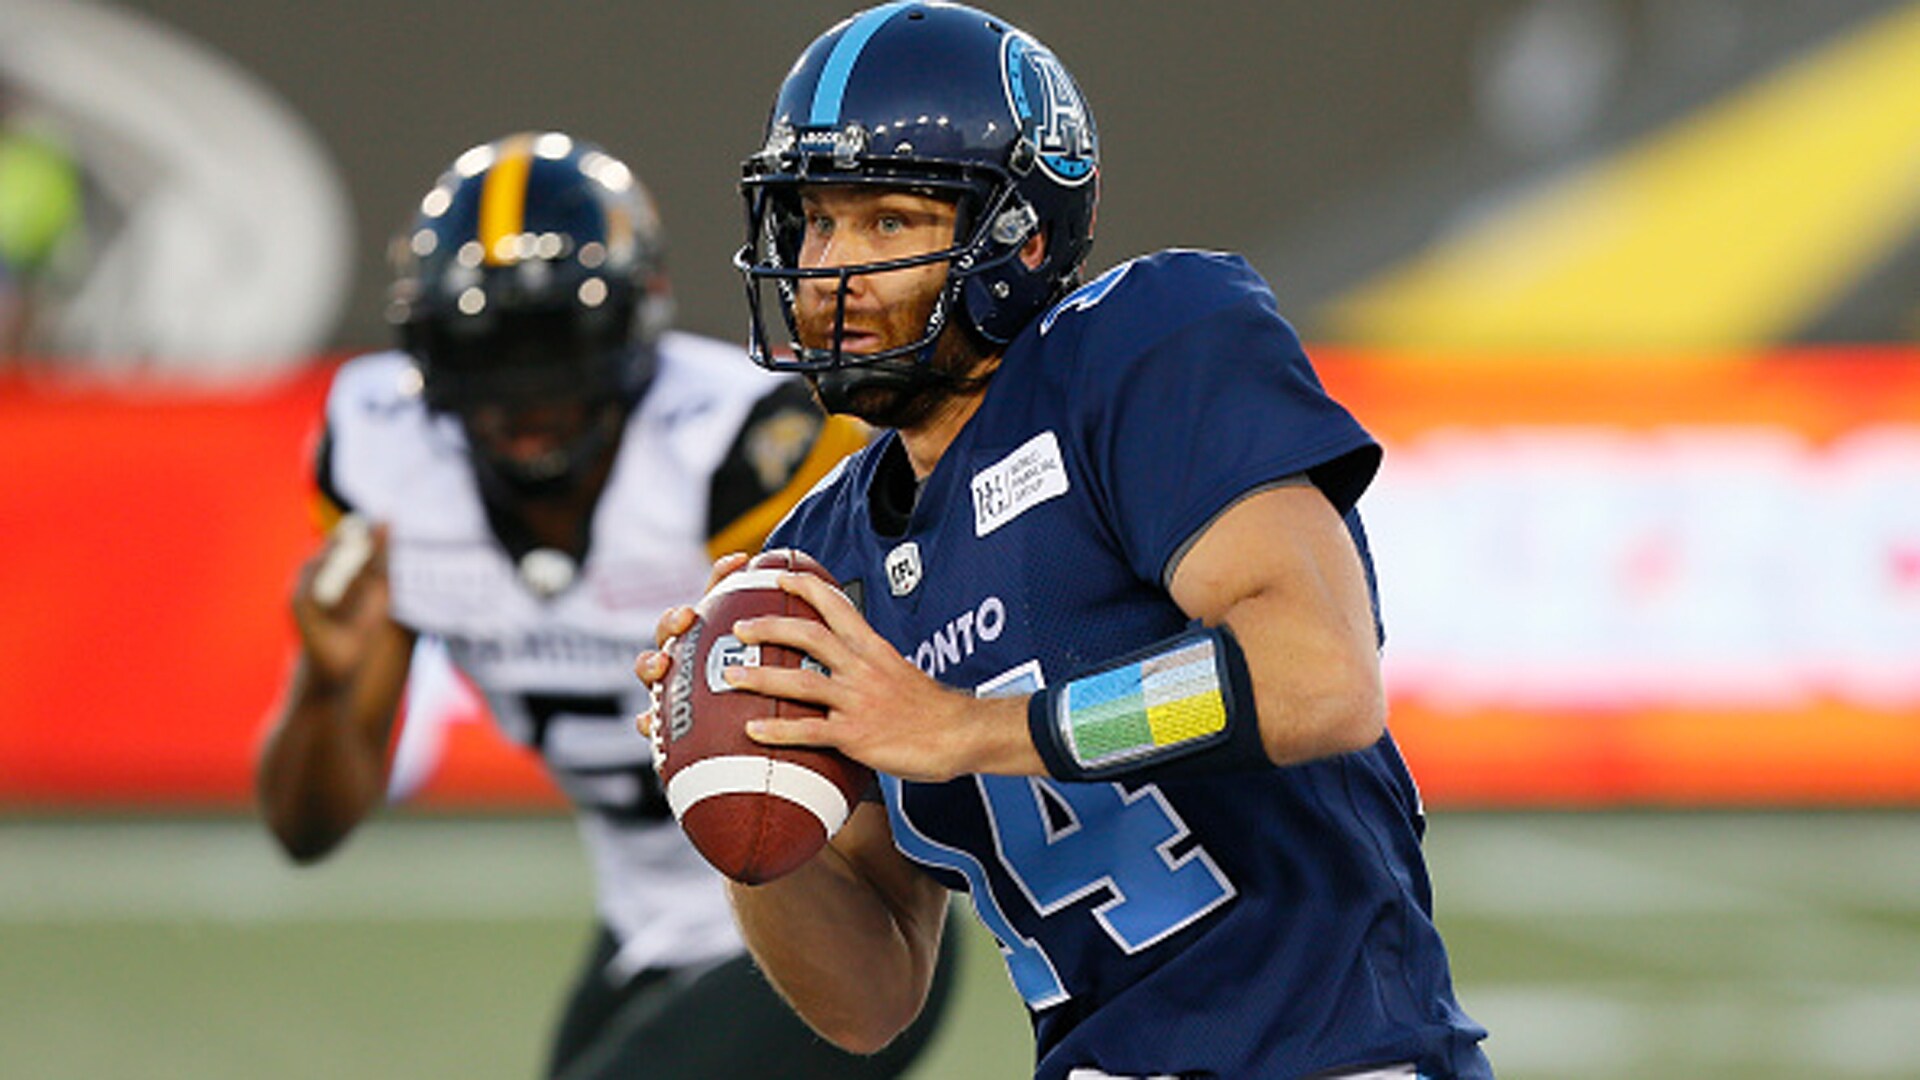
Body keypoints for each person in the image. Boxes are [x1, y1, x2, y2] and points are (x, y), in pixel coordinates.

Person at [636, 6, 1495, 1079]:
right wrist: (741, 797)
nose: (830, 271)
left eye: (890, 221)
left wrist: (967, 729)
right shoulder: (824, 558)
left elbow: (1320, 679)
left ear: (1022, 237)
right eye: (813, 221)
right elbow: (870, 1001)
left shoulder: (1139, 350)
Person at [256, 131, 956, 1079]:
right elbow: (308, 829)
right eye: (486, 354)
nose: (524, 397)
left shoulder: (745, 453)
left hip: (829, 908)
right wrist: (327, 686)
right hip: (649, 925)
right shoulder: (388, 460)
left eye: (552, 349)